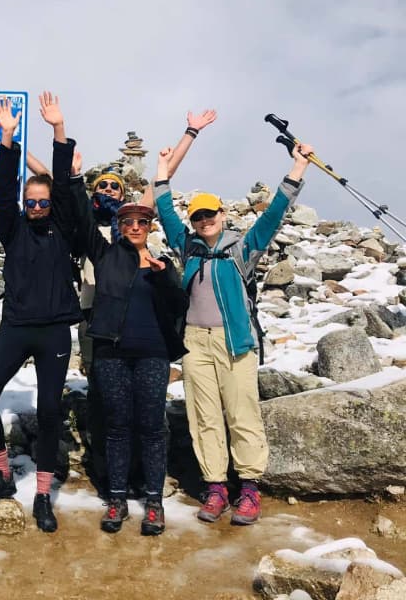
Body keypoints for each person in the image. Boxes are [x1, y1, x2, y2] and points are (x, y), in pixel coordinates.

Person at [153, 141, 313, 526]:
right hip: (195, 343)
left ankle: (250, 489)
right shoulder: (187, 247)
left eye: (210, 213)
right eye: (198, 216)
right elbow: (165, 212)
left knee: (242, 414)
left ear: (223, 215)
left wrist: (297, 169)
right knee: (203, 416)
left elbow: (273, 215)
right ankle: (215, 488)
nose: (203, 220)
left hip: (236, 342)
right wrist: (161, 173)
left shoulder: (244, 248)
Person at [79, 111, 217, 500]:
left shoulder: (133, 223)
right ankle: (112, 479)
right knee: (107, 406)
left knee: (144, 415)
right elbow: (64, 197)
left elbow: (159, 186)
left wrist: (189, 134)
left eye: (115, 186)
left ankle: (144, 483)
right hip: (99, 322)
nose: (108, 190)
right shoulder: (94, 237)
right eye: (101, 185)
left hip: (142, 332)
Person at [0, 93, 80, 533]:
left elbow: (69, 195)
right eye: (29, 202)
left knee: (50, 411)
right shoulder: (12, 229)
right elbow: (2, 191)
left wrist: (58, 131)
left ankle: (43, 495)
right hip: (16, 327)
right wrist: (8, 137)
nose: (35, 207)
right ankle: (1, 474)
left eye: (41, 202)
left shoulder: (63, 229)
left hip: (53, 331)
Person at [71, 191, 188, 535]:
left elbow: (180, 305)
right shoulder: (107, 256)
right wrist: (75, 175)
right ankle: (117, 499)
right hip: (112, 354)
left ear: (150, 227)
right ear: (119, 227)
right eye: (128, 222)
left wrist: (164, 276)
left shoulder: (163, 263)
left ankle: (154, 502)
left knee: (152, 428)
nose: (135, 227)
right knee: (117, 426)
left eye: (141, 222)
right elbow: (81, 217)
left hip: (153, 353)